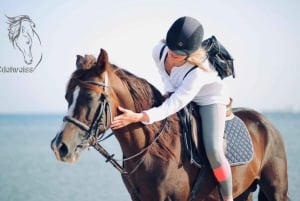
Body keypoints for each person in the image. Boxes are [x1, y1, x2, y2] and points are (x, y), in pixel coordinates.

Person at [111, 16, 233, 201]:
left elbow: (174, 104)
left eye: (179, 53)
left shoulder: (199, 72)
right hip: (179, 92)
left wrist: (139, 117)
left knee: (214, 150)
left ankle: (228, 196)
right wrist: (168, 90)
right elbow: (165, 76)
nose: (173, 55)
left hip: (210, 99)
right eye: (171, 49)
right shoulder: (158, 52)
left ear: (190, 53)